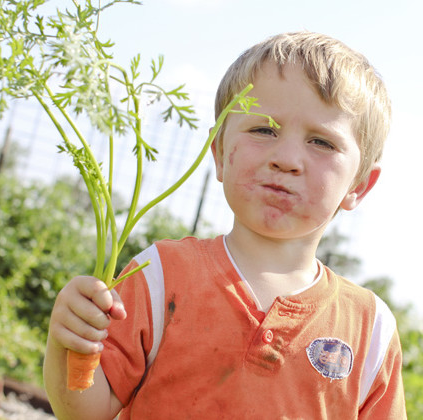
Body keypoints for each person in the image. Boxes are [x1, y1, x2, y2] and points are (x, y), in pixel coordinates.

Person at [44, 31, 407, 419]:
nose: (286, 158)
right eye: (263, 129)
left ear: (359, 186)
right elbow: (86, 410)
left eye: (321, 142)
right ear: (218, 153)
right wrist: (69, 341)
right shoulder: (160, 276)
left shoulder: (371, 330)